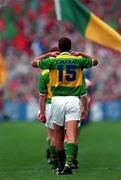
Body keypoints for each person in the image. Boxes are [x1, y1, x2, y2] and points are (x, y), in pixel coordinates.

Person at [31, 37, 98, 175]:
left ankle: (60, 166)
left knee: (58, 136)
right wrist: (81, 53)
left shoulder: (53, 61)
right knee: (72, 135)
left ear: (59, 47)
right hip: (73, 100)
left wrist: (47, 55)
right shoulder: (78, 60)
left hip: (56, 101)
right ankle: (69, 164)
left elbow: (33, 63)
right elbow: (95, 61)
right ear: (70, 47)